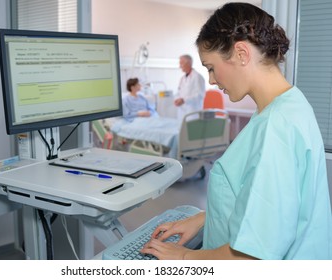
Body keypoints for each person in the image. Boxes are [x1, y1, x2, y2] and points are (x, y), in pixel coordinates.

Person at [141, 2, 332, 260]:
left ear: (241, 54)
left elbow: (251, 258)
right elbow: (269, 208)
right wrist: (202, 220)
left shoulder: (275, 127)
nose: (211, 80)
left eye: (210, 67)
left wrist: (184, 257)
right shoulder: (289, 105)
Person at [173, 54, 205, 120]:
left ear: (188, 63)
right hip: (182, 112)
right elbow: (179, 92)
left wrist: (184, 100)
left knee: (191, 129)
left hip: (193, 113)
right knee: (181, 129)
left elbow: (200, 95)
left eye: (181, 64)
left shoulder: (197, 77)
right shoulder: (182, 78)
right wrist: (176, 99)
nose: (179, 66)